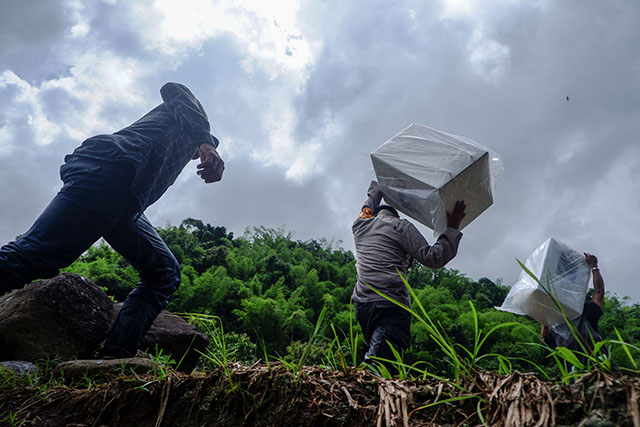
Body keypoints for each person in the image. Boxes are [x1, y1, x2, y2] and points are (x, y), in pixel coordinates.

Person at [0, 82, 224, 358]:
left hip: (125, 201)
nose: (196, 155)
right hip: (109, 170)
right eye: (205, 147)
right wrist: (204, 138)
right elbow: (172, 89)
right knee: (35, 255)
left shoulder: (176, 152)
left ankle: (117, 355)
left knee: (164, 272)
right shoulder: (188, 112)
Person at [351, 180, 466, 374]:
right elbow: (433, 258)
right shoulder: (400, 226)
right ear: (395, 215)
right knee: (379, 363)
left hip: (363, 306)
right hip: (391, 306)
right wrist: (451, 229)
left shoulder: (360, 224)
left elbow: (370, 201)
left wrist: (381, 184)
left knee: (380, 357)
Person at [541, 252, 605, 354]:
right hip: (598, 366)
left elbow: (544, 338)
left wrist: (547, 313)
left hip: (573, 369)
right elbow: (599, 292)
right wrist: (594, 266)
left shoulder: (556, 326)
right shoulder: (585, 313)